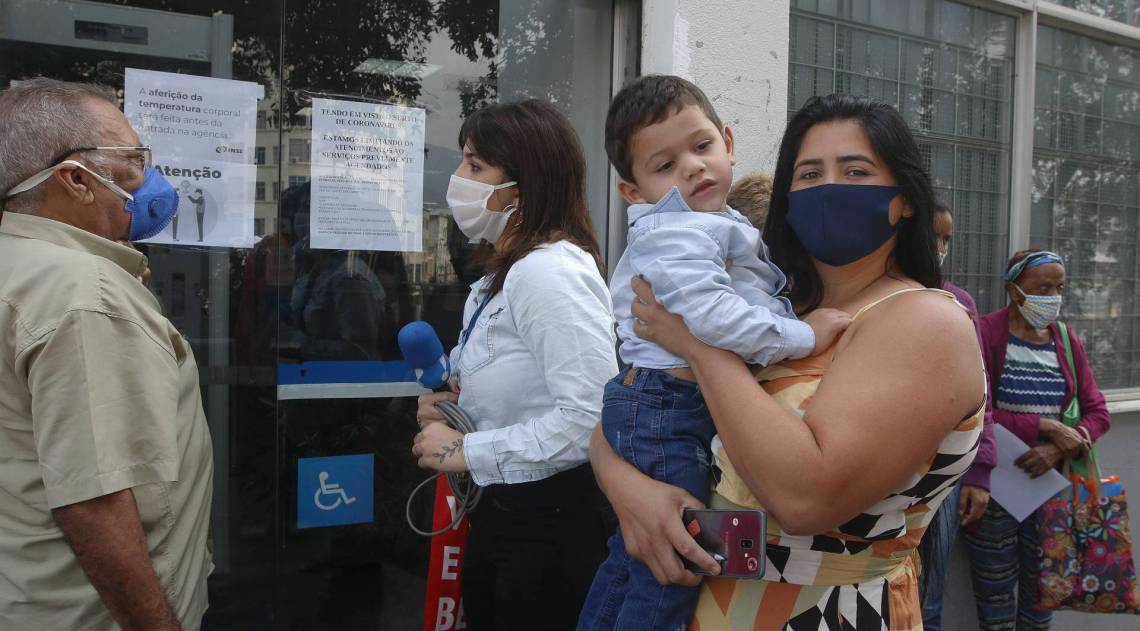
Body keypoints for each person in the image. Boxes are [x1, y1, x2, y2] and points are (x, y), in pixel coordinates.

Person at [589, 93, 987, 629]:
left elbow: (805, 500)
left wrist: (697, 345)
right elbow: (631, 410)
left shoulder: (924, 322)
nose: (829, 188)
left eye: (856, 170)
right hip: (703, 600)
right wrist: (629, 492)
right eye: (808, 173)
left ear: (907, 198)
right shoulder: (778, 309)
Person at [578, 75, 850, 631]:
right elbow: (714, 320)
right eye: (664, 165)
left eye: (701, 147)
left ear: (727, 142)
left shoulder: (719, 225)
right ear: (633, 191)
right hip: (668, 404)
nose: (693, 168)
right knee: (671, 564)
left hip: (663, 402)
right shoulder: (678, 233)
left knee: (635, 559)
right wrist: (805, 335)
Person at [0, 78, 213, 630]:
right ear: (76, 180)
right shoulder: (84, 295)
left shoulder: (18, 265)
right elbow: (96, 502)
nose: (150, 179)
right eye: (134, 161)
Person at [410, 99, 617, 630]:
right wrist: (453, 402)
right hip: (504, 518)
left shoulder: (549, 274)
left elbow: (589, 420)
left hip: (548, 529)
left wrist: (465, 449)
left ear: (523, 187)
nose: (457, 178)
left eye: (475, 166)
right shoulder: (499, 277)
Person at [962, 249, 1110, 630]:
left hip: (1052, 490)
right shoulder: (988, 333)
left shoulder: (1065, 340)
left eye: (1059, 287)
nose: (1053, 297)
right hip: (994, 490)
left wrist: (1062, 443)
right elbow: (979, 407)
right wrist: (1043, 427)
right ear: (1015, 290)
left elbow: (1097, 413)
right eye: (1043, 287)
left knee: (1043, 595)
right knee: (994, 599)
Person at [918, 200, 997, 630]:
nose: (940, 248)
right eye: (933, 236)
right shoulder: (876, 297)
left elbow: (982, 398)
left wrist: (980, 472)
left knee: (929, 596)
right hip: (884, 466)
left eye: (947, 239)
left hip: (946, 474)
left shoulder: (960, 303)